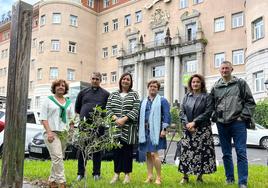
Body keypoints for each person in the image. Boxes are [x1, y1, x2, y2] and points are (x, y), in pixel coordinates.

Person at [210, 61, 256, 188]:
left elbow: (250, 102)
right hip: (221, 124)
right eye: (222, 69)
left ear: (232, 69)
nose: (224, 70)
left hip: (238, 124)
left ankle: (242, 182)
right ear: (220, 71)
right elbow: (211, 105)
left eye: (226, 68)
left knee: (241, 152)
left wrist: (243, 117)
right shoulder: (215, 86)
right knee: (226, 153)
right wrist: (214, 116)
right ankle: (229, 179)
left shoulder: (240, 83)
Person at [178, 74, 216, 184]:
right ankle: (185, 177)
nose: (195, 84)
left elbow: (208, 112)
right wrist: (187, 124)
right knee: (185, 153)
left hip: (202, 129)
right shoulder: (186, 96)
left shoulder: (207, 96)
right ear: (190, 84)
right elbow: (182, 112)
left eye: (197, 82)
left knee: (202, 153)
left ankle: (200, 178)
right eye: (193, 82)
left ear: (201, 83)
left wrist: (194, 122)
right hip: (188, 129)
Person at [75, 72, 109, 181]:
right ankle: (80, 173)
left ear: (100, 80)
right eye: (93, 78)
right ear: (90, 79)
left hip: (99, 126)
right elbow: (77, 109)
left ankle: (96, 173)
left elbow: (108, 110)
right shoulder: (83, 92)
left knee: (97, 149)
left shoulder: (106, 94)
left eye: (97, 79)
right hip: (84, 126)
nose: (95, 80)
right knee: (82, 149)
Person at [40, 79, 75, 188]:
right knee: (58, 157)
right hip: (51, 132)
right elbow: (43, 118)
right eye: (58, 85)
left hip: (63, 133)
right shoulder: (48, 100)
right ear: (54, 88)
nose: (61, 87)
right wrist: (49, 132)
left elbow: (71, 119)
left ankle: (52, 181)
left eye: (63, 86)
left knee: (58, 158)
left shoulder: (69, 102)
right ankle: (61, 182)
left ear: (65, 89)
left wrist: (71, 131)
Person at [106, 72, 140, 184]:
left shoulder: (134, 94)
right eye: (124, 79)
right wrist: (116, 119)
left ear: (130, 82)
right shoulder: (113, 94)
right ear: (120, 80)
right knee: (116, 153)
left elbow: (136, 109)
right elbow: (108, 108)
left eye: (128, 79)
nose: (125, 81)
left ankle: (127, 175)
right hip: (115, 129)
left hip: (128, 129)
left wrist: (124, 119)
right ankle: (116, 174)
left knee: (127, 153)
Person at [139, 80, 171, 185]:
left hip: (157, 131)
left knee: (154, 154)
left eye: (155, 87)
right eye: (151, 86)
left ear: (158, 89)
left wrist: (164, 129)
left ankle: (159, 177)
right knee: (148, 154)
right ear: (148, 88)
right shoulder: (143, 102)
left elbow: (167, 116)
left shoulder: (162, 101)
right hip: (145, 131)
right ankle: (150, 176)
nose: (152, 88)